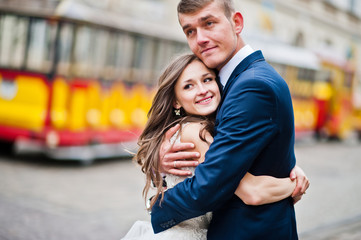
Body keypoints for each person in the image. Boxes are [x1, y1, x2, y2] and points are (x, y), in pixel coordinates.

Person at [151, 0, 310, 239]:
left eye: (209, 23)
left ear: (236, 23)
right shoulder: (232, 82)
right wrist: (162, 165)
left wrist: (156, 205)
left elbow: (209, 186)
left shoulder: (252, 86)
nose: (200, 38)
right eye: (190, 31)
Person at [122, 53, 299, 240]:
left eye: (207, 80)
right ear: (175, 101)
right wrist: (294, 183)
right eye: (188, 86)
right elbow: (252, 192)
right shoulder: (196, 132)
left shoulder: (192, 128)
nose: (202, 90)